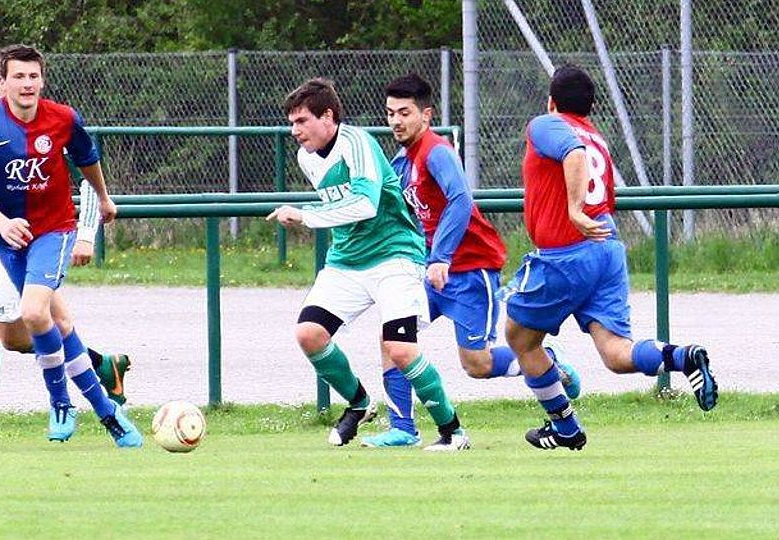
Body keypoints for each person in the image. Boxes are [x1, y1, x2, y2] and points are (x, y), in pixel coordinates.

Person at [0, 57, 132, 450]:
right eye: (14, 77)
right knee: (30, 334)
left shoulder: (59, 118)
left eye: (32, 76)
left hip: (42, 234)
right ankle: (103, 370)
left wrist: (89, 227)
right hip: (1, 239)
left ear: (42, 80)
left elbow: (86, 164)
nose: (22, 84)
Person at [359, 73, 582, 448]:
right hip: (431, 271)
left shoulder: (437, 152)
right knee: (392, 336)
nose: (396, 121)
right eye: (390, 113)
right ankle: (403, 428)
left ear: (425, 115)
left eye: (404, 112)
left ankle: (550, 362)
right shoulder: (402, 161)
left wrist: (442, 256)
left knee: (475, 365)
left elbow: (461, 199)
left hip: (470, 271)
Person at [505, 65, 718, 451]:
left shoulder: (545, 125)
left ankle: (565, 425)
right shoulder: (598, 137)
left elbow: (571, 151)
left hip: (565, 255)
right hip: (606, 252)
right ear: (591, 108)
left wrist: (571, 209)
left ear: (551, 102)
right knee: (617, 354)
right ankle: (682, 357)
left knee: (520, 339)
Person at [267, 78, 469, 451]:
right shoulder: (306, 157)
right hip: (346, 261)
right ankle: (360, 404)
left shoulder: (356, 143)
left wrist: (305, 215)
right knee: (309, 334)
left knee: (401, 349)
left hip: (394, 255)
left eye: (301, 121)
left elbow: (364, 205)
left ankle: (452, 431)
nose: (294, 131)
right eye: (292, 122)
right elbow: (340, 209)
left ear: (328, 116)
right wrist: (315, 216)